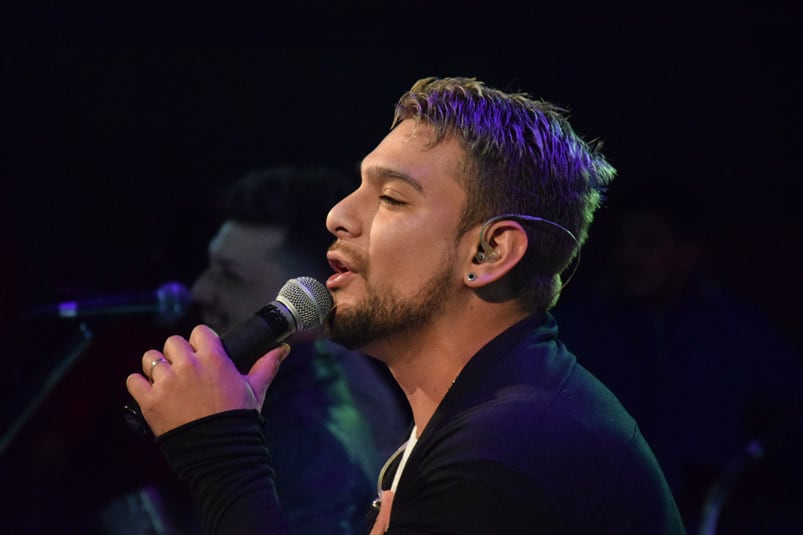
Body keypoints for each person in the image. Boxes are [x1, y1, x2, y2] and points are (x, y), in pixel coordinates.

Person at [127, 77, 685, 533]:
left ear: (489, 252)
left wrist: (222, 454)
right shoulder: (493, 410)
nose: (339, 215)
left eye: (391, 198)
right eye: (360, 187)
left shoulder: (500, 460)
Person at [110, 166, 409, 534]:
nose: (200, 290)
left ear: (311, 299)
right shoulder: (317, 382)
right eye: (210, 267)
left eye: (230, 275)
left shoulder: (320, 435)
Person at [553, 177, 803, 532]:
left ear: (687, 252)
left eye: (647, 243)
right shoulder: (580, 324)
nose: (628, 255)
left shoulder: (736, 330)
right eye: (622, 241)